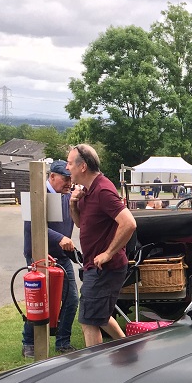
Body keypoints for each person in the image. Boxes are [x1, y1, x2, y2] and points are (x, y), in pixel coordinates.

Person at [67, 143, 137, 348]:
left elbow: (129, 223)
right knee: (102, 316)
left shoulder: (103, 190)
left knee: (88, 321)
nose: (67, 168)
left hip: (105, 268)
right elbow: (81, 224)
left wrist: (107, 253)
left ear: (83, 167)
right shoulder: (88, 191)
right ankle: (128, 350)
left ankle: (96, 373)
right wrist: (73, 204)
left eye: (70, 164)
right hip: (95, 266)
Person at [21, 159, 80, 358]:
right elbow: (32, 226)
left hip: (61, 257)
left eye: (70, 179)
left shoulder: (67, 196)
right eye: (65, 178)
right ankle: (29, 343)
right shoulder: (37, 196)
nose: (69, 183)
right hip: (38, 256)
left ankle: (62, 342)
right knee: (39, 301)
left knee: (71, 299)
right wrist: (61, 237)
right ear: (52, 176)